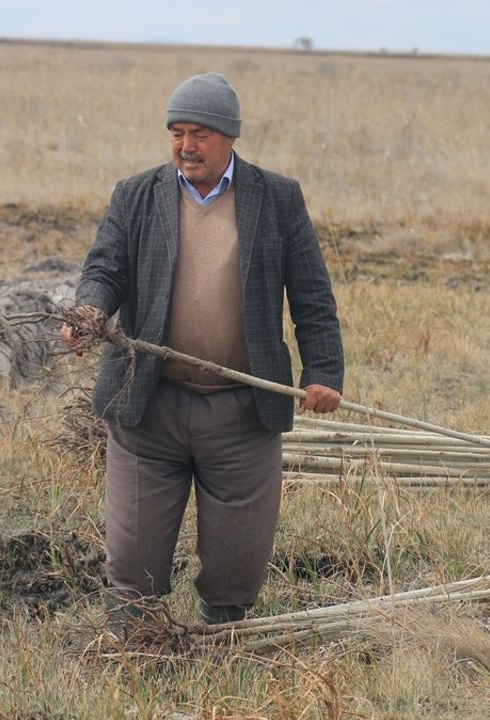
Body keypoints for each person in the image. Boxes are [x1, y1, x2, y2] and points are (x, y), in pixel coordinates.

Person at [62, 73, 344, 626]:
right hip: (149, 405)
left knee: (238, 560)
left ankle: (222, 642)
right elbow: (104, 269)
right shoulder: (136, 194)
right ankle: (134, 644)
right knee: (133, 558)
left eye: (199, 134)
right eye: (176, 132)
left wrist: (324, 370)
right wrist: (89, 311)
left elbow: (312, 295)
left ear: (230, 137)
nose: (186, 146)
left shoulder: (277, 198)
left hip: (242, 410)